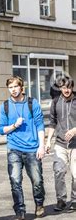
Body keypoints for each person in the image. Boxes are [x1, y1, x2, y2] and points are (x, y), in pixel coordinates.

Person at [0, 76, 46, 220]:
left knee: (37, 180)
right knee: (15, 181)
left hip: (32, 148)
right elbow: (1, 130)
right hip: (14, 149)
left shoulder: (32, 103)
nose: (13, 90)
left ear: (21, 87)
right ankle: (20, 212)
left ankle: (39, 204)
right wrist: (14, 126)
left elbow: (40, 125)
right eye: (10, 87)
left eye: (15, 87)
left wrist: (42, 146)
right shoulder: (5, 106)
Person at [45, 76, 76, 211]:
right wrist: (48, 141)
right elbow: (52, 123)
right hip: (60, 143)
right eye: (64, 87)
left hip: (75, 144)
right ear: (60, 88)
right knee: (58, 171)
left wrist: (75, 130)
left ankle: (74, 200)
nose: (66, 90)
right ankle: (61, 200)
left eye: (69, 87)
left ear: (72, 88)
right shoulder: (56, 101)